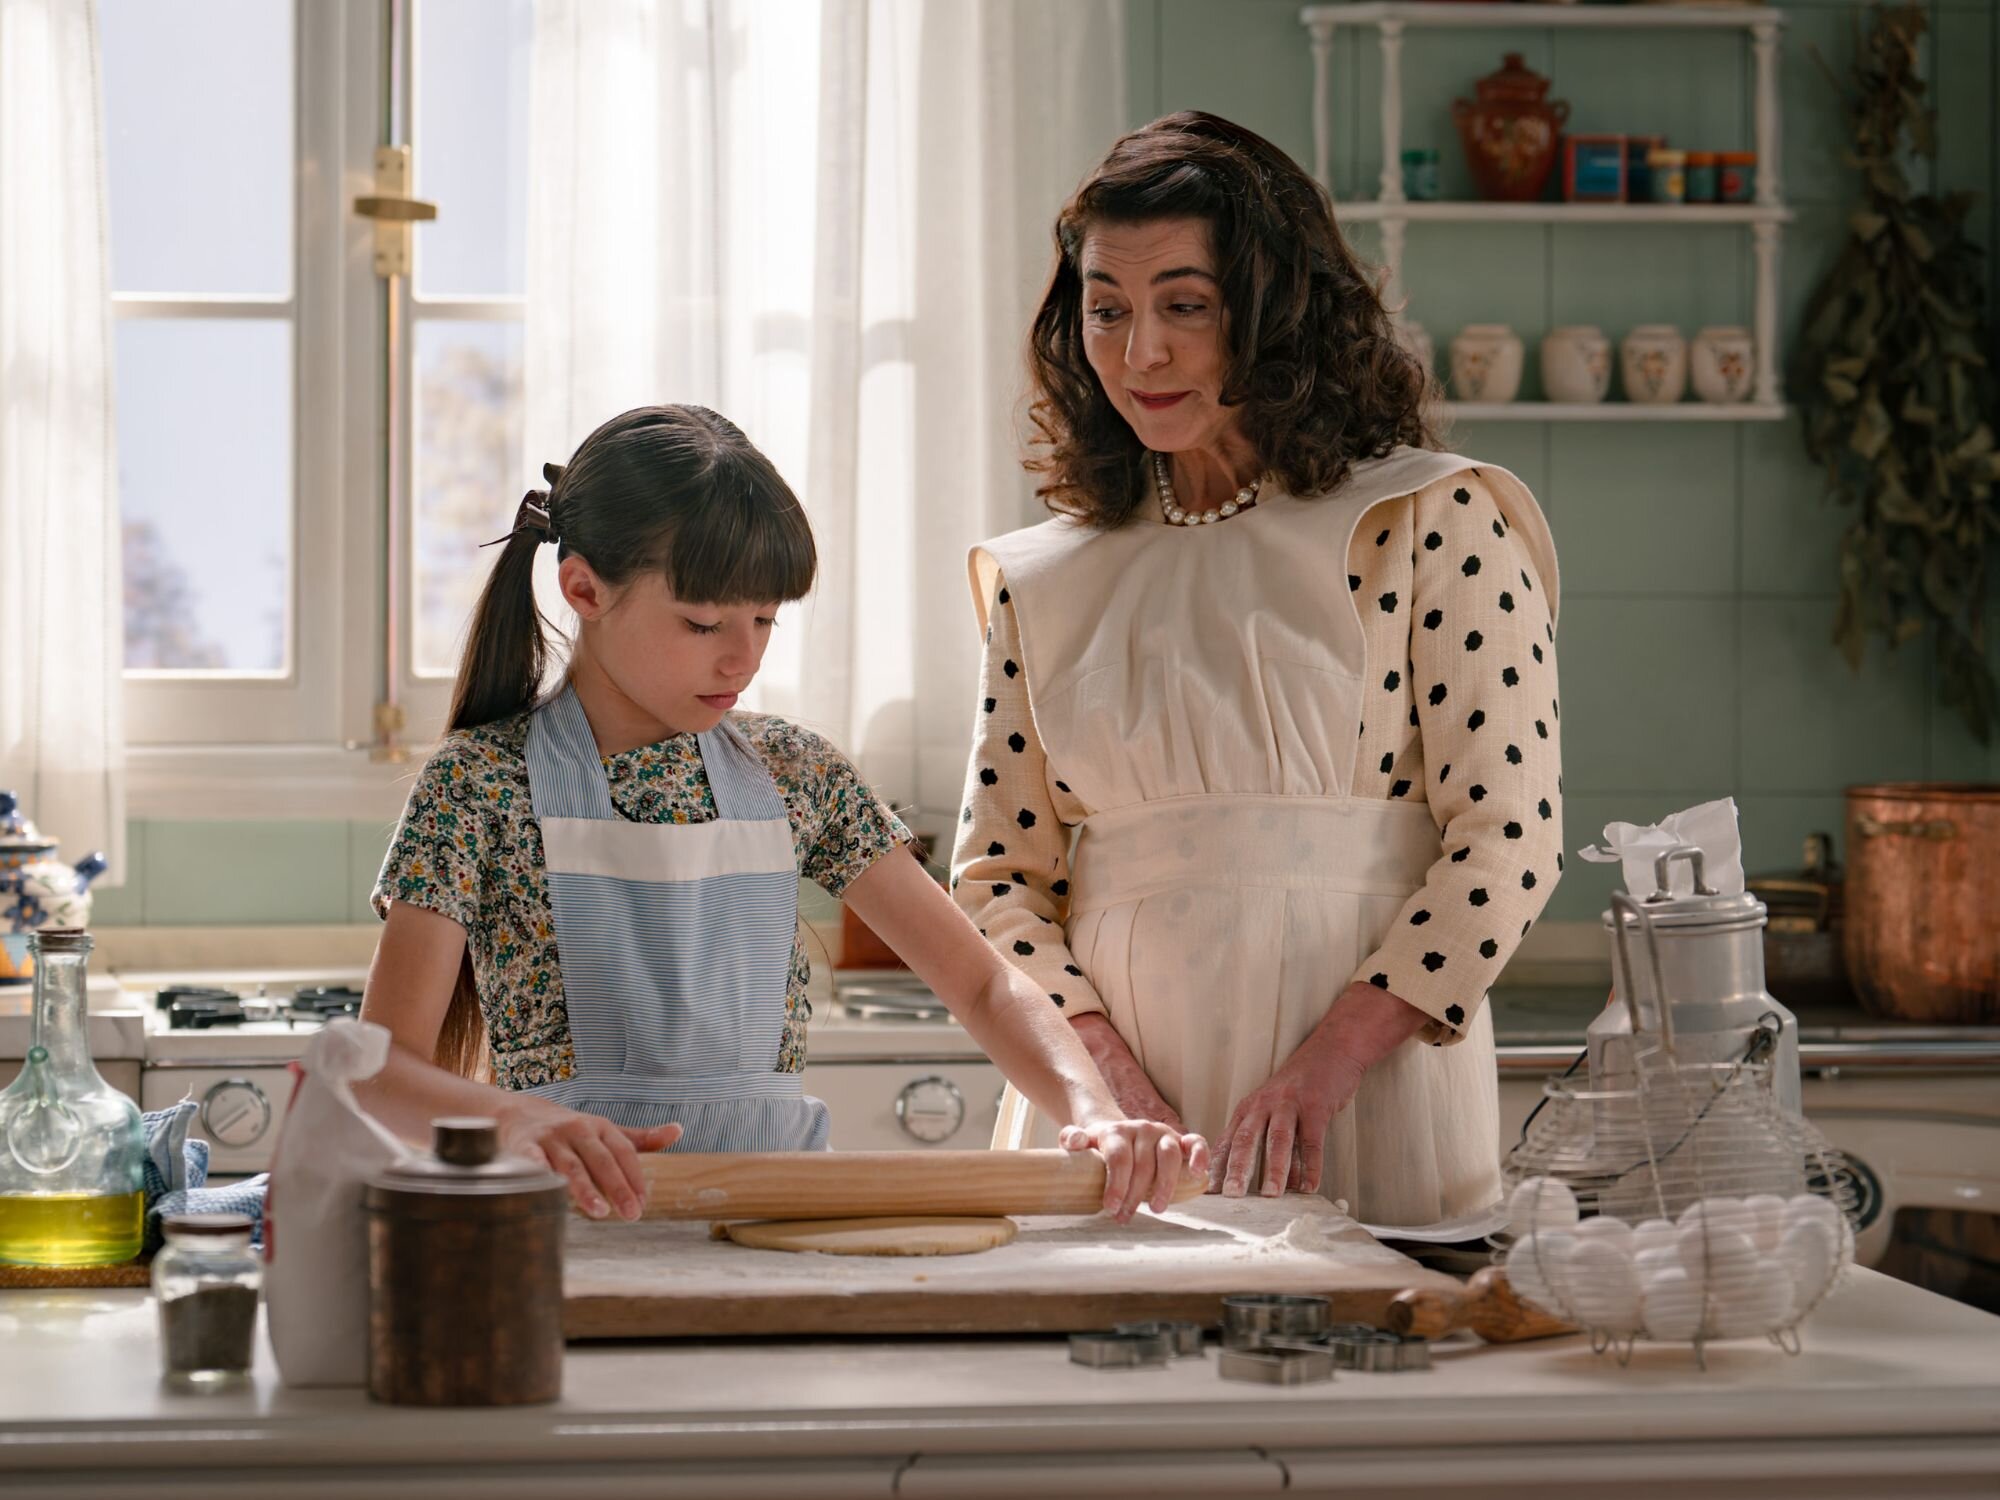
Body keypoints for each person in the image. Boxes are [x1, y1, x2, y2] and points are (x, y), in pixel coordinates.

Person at [358, 405, 1207, 1223]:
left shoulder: (795, 773)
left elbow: (983, 984)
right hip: (562, 1242)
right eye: (702, 622)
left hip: (777, 1228)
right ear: (582, 588)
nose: (744, 657)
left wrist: (1091, 1105)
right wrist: (516, 1123)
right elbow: (378, 1073)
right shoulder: (478, 786)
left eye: (765, 618)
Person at [951, 114, 1563, 1227]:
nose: (1141, 353)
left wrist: (1325, 1069)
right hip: (1112, 1129)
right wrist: (1105, 1088)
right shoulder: (1042, 576)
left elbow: (1508, 837)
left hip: (1359, 1091)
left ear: (1277, 311)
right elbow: (995, 878)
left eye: (1185, 305)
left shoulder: (1434, 515)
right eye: (1107, 310)